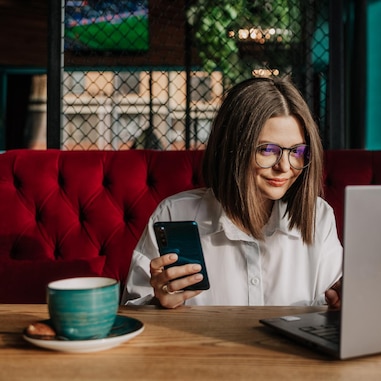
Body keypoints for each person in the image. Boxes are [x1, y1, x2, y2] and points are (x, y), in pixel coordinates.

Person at [122, 76, 343, 309]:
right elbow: (133, 312)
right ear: (232, 148)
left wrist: (341, 302)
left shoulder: (319, 216)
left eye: (297, 151)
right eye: (267, 150)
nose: (285, 167)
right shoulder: (174, 214)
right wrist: (159, 301)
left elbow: (328, 308)